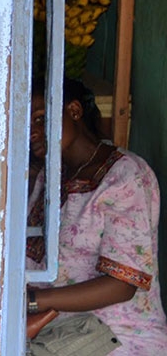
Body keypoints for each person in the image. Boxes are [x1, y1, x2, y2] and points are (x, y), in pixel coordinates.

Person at [26, 76, 167, 354]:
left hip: (115, 336)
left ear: (74, 111)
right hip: (54, 331)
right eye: (26, 125)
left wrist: (35, 301)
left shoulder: (126, 176)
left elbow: (121, 285)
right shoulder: (50, 177)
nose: (32, 133)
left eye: (40, 119)